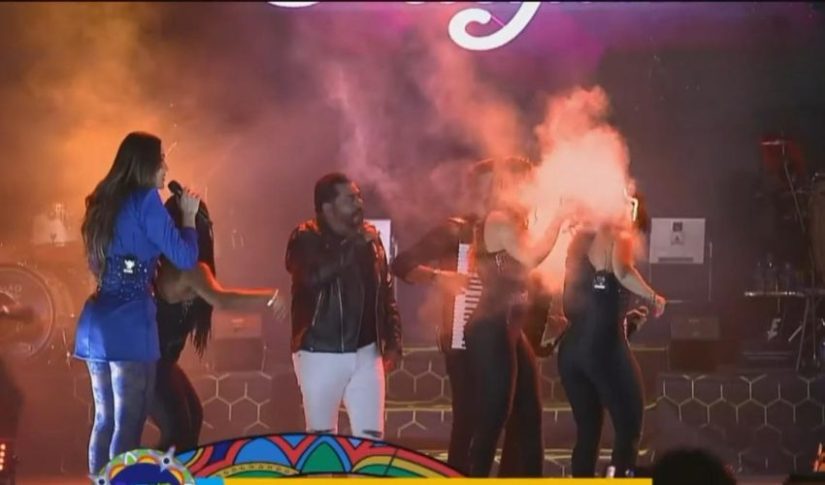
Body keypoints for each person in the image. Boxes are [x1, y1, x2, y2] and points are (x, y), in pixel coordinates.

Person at [391, 157, 548, 476]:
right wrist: (440, 277)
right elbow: (401, 264)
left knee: (523, 415)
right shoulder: (457, 230)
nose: (501, 191)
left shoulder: (508, 228)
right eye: (492, 185)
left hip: (506, 331)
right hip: (466, 334)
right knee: (470, 420)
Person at [75, 132, 200, 475]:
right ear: (146, 164)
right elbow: (185, 257)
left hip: (97, 320)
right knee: (129, 421)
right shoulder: (146, 200)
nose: (166, 169)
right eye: (162, 160)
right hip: (130, 323)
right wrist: (189, 218)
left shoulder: (106, 199)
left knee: (105, 419)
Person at [150, 196, 288, 451]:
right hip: (149, 365)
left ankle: (173, 472)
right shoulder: (189, 267)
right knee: (177, 432)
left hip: (157, 362)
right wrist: (269, 297)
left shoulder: (168, 262)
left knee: (192, 418)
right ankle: (142, 473)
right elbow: (222, 299)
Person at [463, 157, 568, 477]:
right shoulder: (498, 220)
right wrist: (558, 218)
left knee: (529, 414)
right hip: (491, 328)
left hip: (509, 328)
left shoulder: (512, 222)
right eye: (528, 182)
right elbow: (531, 257)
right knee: (494, 417)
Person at [285, 172, 402, 440]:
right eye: (350, 199)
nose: (359, 203)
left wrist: (394, 340)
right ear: (328, 207)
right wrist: (353, 246)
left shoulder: (370, 239)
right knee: (323, 439)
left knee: (372, 439)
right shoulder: (305, 236)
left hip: (367, 353)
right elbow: (311, 277)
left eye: (359, 197)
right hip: (321, 352)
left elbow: (385, 292)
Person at [557, 190, 666, 478]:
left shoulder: (580, 239)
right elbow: (623, 271)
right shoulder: (618, 234)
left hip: (571, 352)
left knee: (588, 432)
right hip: (601, 347)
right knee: (629, 427)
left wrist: (624, 320)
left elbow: (583, 302)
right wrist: (654, 297)